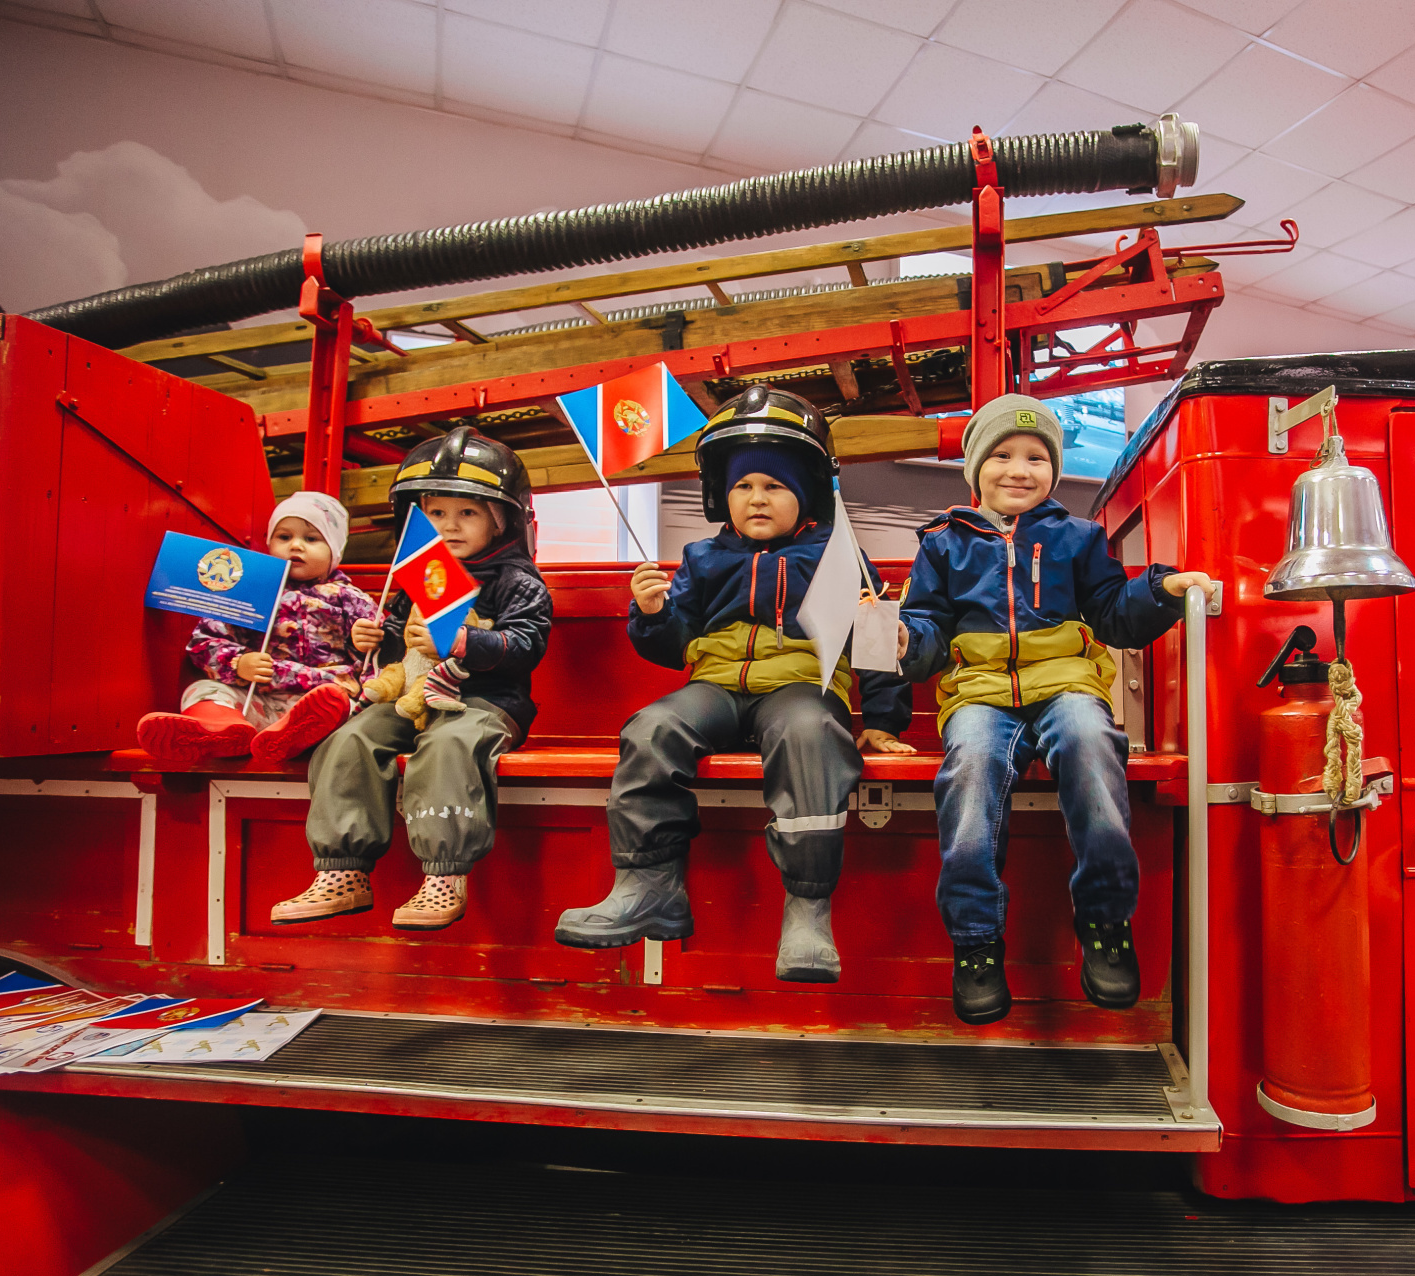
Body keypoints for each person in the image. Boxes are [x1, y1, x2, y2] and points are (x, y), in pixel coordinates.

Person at [554, 387, 912, 983]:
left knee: (810, 732)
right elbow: (671, 649)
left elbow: (874, 644)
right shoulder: (701, 558)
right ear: (723, 495)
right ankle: (649, 883)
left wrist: (881, 722)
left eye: (774, 486)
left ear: (808, 494)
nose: (757, 498)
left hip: (801, 686)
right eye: (744, 486)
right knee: (651, 728)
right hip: (716, 687)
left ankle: (807, 904)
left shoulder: (839, 554)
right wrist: (650, 613)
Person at [898, 394, 1215, 1025]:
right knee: (971, 767)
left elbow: (1112, 613)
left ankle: (1105, 921)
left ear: (1054, 470)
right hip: (981, 692)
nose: (1020, 469)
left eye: (1037, 458)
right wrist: (905, 640)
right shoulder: (941, 544)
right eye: (1002, 456)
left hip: (1067, 682)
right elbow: (926, 630)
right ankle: (976, 942)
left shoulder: (1078, 538)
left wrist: (1161, 590)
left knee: (1093, 744)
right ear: (974, 469)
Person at [270, 427, 552, 930]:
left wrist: (465, 643)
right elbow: (400, 641)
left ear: (502, 519)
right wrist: (372, 638)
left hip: (483, 704)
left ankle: (444, 873)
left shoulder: (518, 581)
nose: (449, 525)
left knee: (447, 744)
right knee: (350, 737)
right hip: (408, 698)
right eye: (437, 512)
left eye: (467, 512)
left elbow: (526, 647)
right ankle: (343, 871)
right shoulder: (419, 572)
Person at [136, 492, 372, 767]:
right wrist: (238, 663)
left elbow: (376, 661)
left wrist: (365, 643)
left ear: (335, 550)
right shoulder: (250, 587)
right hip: (255, 700)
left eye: (311, 539)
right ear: (269, 542)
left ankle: (292, 737)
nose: (296, 546)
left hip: (317, 703)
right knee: (203, 688)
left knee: (337, 702)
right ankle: (217, 728)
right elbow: (205, 642)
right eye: (284, 537)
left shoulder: (351, 599)